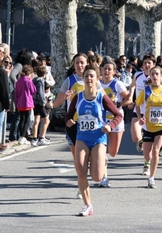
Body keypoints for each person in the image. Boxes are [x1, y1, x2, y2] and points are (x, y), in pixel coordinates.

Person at [65, 65, 122, 216]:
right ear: (83, 79)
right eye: (86, 76)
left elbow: (118, 115)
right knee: (81, 172)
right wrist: (69, 121)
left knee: (96, 177)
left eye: (92, 76)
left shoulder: (102, 98)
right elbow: (68, 115)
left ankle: (102, 160)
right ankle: (87, 205)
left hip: (98, 138)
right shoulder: (78, 97)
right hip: (82, 138)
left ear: (98, 79)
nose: (89, 79)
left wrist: (110, 126)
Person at [53, 53, 88, 199]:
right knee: (77, 158)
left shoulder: (92, 79)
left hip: (88, 124)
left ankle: (84, 181)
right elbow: (55, 104)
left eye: (82, 63)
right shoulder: (69, 81)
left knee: (88, 157)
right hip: (72, 123)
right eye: (77, 63)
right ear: (73, 65)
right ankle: (81, 184)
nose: (80, 66)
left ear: (87, 64)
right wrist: (64, 97)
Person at [99, 60, 129, 187]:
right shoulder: (98, 84)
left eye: (109, 69)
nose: (107, 71)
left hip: (116, 121)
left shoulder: (118, 84)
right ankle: (103, 177)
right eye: (105, 69)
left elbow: (128, 99)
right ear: (101, 70)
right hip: (101, 121)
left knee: (113, 152)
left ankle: (104, 157)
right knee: (102, 151)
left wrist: (119, 104)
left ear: (114, 71)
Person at [126, 54, 155, 153]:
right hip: (138, 109)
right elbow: (132, 86)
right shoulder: (137, 75)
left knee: (151, 139)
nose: (147, 65)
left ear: (153, 64)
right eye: (145, 63)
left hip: (151, 111)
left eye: (149, 63)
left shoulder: (156, 77)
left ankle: (149, 158)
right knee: (135, 137)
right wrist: (130, 98)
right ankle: (141, 141)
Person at [9, 49, 33, 141]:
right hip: (19, 94)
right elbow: (12, 75)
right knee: (18, 117)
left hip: (20, 94)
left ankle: (18, 135)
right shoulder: (19, 65)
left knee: (20, 117)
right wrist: (18, 85)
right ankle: (13, 137)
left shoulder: (22, 66)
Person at [14, 65, 36, 145]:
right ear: (29, 73)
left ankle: (21, 136)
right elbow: (33, 91)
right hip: (27, 102)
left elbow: (16, 93)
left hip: (20, 102)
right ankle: (23, 136)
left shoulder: (19, 81)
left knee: (21, 119)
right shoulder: (28, 81)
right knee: (27, 119)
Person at [31, 66, 50, 146]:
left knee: (36, 120)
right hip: (40, 102)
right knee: (46, 120)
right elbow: (41, 92)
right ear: (44, 74)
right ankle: (41, 138)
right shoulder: (41, 81)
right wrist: (44, 102)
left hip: (34, 102)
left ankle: (34, 138)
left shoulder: (34, 80)